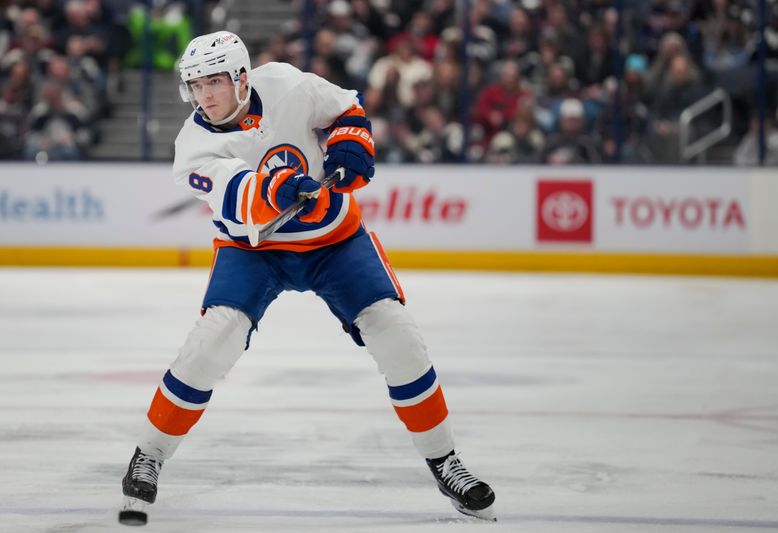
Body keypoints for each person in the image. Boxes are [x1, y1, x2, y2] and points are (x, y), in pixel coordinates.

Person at [118, 31, 496, 526]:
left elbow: (347, 110)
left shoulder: (287, 86)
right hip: (253, 250)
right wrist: (281, 187)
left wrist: (351, 147)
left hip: (334, 241)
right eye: (195, 85)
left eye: (214, 81)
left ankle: (445, 461)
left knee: (397, 336)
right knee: (209, 346)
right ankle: (149, 454)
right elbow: (243, 195)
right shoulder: (191, 147)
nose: (204, 96)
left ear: (241, 78)